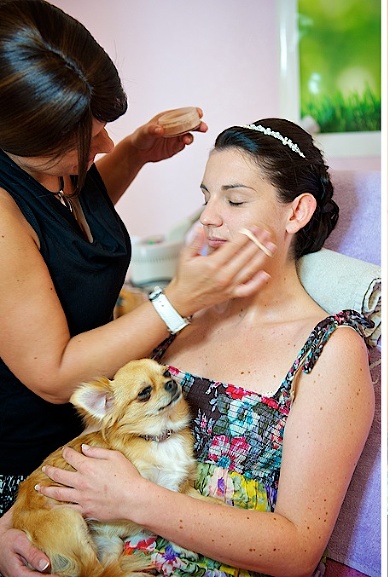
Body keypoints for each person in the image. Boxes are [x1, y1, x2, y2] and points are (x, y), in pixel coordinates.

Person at [10, 118, 375, 577]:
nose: (208, 216)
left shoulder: (329, 352)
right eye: (206, 196)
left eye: (235, 199)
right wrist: (14, 526)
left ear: (296, 213)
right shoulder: (178, 320)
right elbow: (99, 439)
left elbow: (298, 549)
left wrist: (139, 501)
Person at [0, 0, 274, 573]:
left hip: (99, 444)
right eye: (85, 136)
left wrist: (135, 152)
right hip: (29, 469)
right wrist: (177, 303)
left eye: (102, 128)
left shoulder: (52, 173)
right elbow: (53, 376)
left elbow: (65, 239)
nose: (100, 146)